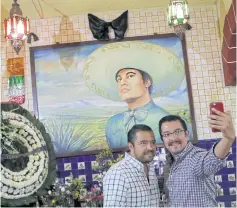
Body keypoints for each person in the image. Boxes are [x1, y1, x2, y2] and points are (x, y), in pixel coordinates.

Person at [158, 109, 235, 207]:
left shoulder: (197, 158)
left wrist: (228, 139)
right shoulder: (169, 163)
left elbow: (212, 160)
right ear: (163, 139)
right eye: (167, 134)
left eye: (177, 132)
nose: (173, 138)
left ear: (187, 134)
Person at [106, 68, 171, 148]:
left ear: (147, 82)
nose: (122, 83)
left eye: (130, 76)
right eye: (119, 79)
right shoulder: (112, 123)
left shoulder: (167, 120)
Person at [103, 124, 160, 207]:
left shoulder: (150, 167)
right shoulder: (118, 173)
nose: (150, 148)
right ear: (131, 146)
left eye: (153, 142)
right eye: (143, 143)